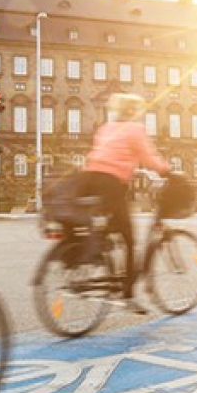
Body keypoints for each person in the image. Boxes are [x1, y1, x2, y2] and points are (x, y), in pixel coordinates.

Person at [81, 93, 170, 312]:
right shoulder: (134, 129)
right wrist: (168, 171)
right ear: (133, 111)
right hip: (112, 184)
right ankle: (128, 295)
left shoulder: (104, 128)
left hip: (90, 180)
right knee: (129, 240)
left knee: (108, 229)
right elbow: (148, 158)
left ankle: (95, 255)